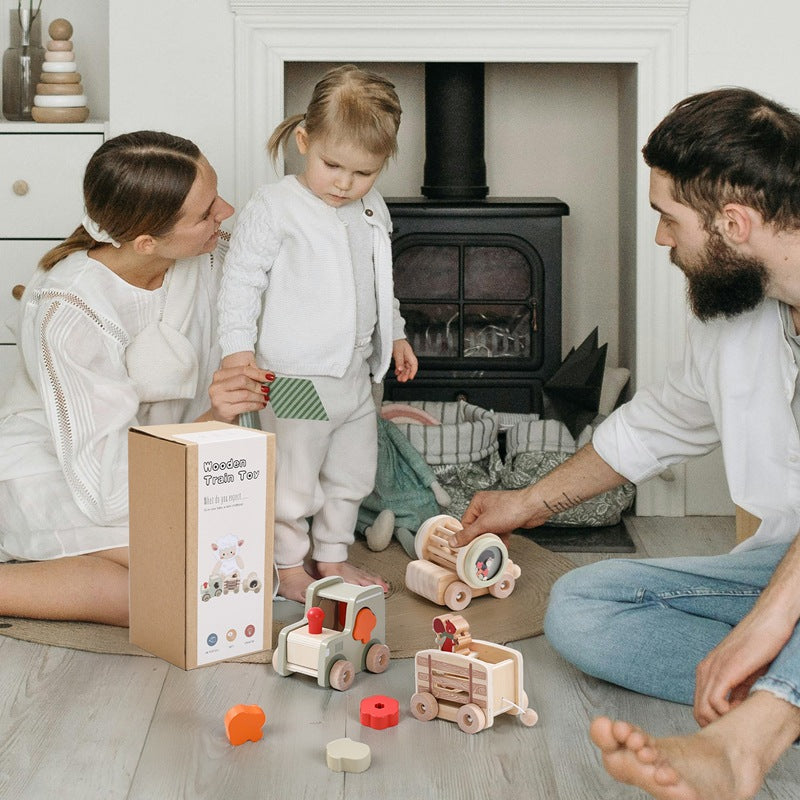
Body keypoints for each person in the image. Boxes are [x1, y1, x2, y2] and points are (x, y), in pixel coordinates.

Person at [453, 87, 800, 800]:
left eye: (669, 219)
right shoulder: (736, 314)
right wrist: (528, 502)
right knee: (580, 610)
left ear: (734, 223)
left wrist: (770, 620)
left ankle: (754, 732)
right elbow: (659, 425)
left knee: (777, 621)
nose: (661, 240)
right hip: (783, 562)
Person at [0, 131, 271, 627]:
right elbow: (103, 487)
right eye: (207, 210)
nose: (227, 211)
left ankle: (100, 563)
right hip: (71, 469)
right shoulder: (70, 308)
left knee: (240, 575)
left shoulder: (208, 254)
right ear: (147, 241)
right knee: (187, 596)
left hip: (165, 461)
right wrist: (212, 420)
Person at [218, 64, 418, 603]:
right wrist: (237, 353)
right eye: (333, 166)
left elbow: (382, 281)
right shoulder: (276, 207)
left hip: (355, 372)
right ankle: (287, 567)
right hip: (295, 375)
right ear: (304, 141)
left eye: (364, 173)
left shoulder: (370, 207)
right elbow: (239, 283)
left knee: (352, 472)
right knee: (295, 477)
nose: (346, 184)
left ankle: (332, 554)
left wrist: (395, 334)